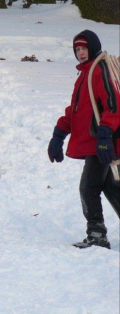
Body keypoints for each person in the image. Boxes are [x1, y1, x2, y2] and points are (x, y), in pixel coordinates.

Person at [47, 30, 120, 249]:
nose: (80, 53)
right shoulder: (85, 75)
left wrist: (106, 135)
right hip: (96, 142)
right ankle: (97, 233)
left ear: (93, 47)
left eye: (84, 48)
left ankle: (97, 234)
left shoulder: (99, 69)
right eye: (77, 49)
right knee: (111, 187)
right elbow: (76, 111)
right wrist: (58, 134)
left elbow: (114, 104)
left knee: (88, 187)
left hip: (102, 143)